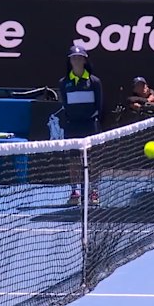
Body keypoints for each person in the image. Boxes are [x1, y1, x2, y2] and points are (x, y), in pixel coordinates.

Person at [58, 45, 103, 205]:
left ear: (84, 60)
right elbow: (65, 104)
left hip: (90, 126)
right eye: (73, 58)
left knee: (92, 159)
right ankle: (75, 192)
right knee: (74, 161)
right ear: (70, 61)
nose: (76, 60)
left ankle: (93, 192)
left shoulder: (94, 82)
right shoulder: (64, 83)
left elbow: (99, 106)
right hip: (72, 126)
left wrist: (92, 119)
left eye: (79, 57)